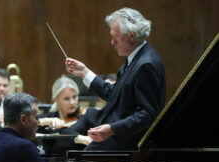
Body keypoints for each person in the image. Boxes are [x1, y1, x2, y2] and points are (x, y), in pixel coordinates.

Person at [64, 7, 166, 150]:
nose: (112, 42)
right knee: (65, 142)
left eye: (115, 37)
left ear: (131, 35)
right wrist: (84, 72)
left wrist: (112, 129)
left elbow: (147, 115)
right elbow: (116, 94)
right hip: (116, 131)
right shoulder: (136, 57)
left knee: (82, 160)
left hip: (128, 141)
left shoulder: (146, 65)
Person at [39, 76, 91, 146]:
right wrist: (46, 121)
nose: (72, 102)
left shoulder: (85, 115)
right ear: (55, 99)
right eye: (66, 99)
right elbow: (27, 125)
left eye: (74, 97)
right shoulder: (50, 118)